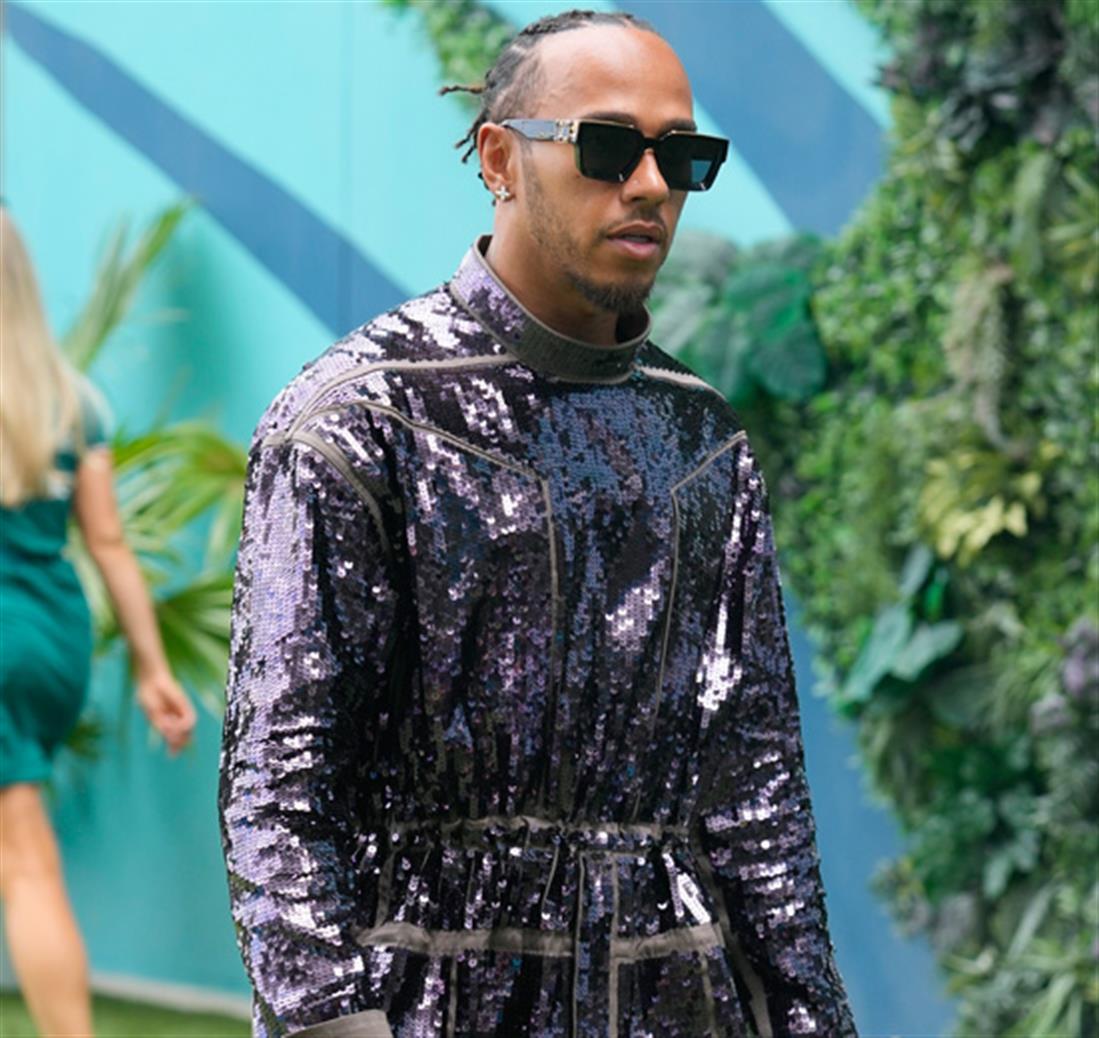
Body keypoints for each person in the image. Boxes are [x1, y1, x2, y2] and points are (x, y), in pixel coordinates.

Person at [219, 10, 856, 1037]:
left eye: (681, 156)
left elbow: (757, 797)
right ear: (499, 159)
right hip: (427, 1000)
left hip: (676, 1001)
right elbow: (279, 792)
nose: (649, 185)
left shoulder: (701, 440)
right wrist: (334, 1025)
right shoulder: (360, 421)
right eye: (606, 147)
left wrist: (811, 1018)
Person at [0, 206, 197, 1037]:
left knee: (25, 860)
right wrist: (154, 670)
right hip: (49, 638)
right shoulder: (72, 402)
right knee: (23, 857)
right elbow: (108, 544)